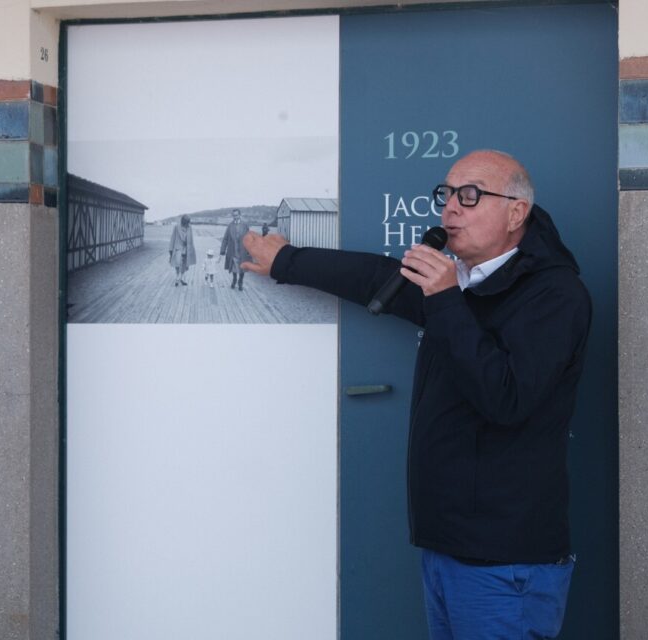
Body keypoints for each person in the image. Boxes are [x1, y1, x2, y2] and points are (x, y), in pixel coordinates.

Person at [242, 150, 591, 640]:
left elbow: (507, 400)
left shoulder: (555, 296)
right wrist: (287, 260)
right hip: (447, 551)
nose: (450, 208)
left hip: (506, 564)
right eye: (446, 195)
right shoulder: (464, 284)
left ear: (516, 212)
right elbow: (375, 278)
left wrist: (446, 300)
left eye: (470, 196)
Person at [220, 208, 250, 291]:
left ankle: (240, 282)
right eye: (233, 215)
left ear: (240, 215)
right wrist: (222, 250)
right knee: (233, 267)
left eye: (236, 215)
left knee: (242, 268)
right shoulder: (230, 225)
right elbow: (225, 238)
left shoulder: (245, 225)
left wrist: (249, 250)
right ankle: (234, 279)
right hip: (233, 251)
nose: (235, 217)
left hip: (242, 251)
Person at [168, 214, 196, 286]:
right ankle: (177, 276)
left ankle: (182, 277)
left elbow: (191, 239)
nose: (188, 224)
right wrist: (170, 249)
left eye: (188, 223)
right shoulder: (176, 227)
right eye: (186, 222)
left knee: (185, 263)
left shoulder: (190, 228)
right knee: (177, 262)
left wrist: (191, 249)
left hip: (186, 248)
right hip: (178, 248)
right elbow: (173, 238)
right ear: (183, 222)